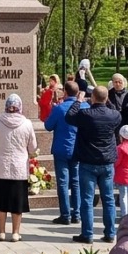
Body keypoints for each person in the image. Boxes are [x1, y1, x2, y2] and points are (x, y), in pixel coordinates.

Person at [66, 86, 122, 244]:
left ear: (93, 98)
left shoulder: (86, 114)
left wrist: (78, 101)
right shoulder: (114, 115)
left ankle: (87, 234)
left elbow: (69, 117)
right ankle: (110, 234)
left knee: (87, 200)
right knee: (109, 199)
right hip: (107, 162)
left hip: (88, 162)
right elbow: (115, 112)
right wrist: (107, 100)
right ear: (106, 98)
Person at [0, 94, 38, 242]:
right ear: (19, 107)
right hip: (19, 169)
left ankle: (1, 232)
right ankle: (15, 233)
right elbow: (33, 147)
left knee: (0, 202)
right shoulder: (27, 123)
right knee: (17, 202)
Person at [45, 81, 84, 226]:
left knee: (62, 182)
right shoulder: (85, 106)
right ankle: (77, 214)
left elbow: (48, 126)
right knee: (76, 181)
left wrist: (53, 110)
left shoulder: (59, 109)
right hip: (78, 149)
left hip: (61, 150)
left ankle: (65, 215)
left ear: (65, 93)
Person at [113, 125, 128, 219]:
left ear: (121, 136)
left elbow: (117, 162)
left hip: (122, 175)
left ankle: (125, 215)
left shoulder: (120, 148)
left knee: (123, 197)